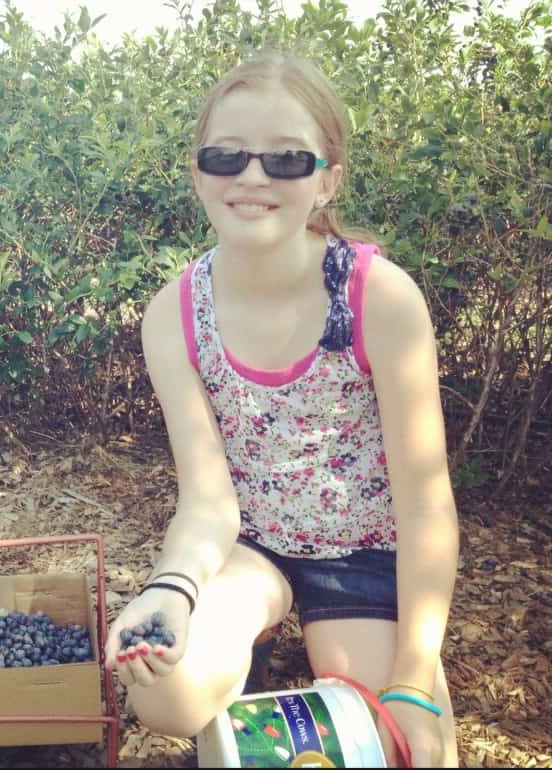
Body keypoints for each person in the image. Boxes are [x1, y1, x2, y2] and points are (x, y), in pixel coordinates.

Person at [104, 51, 459, 767]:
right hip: (252, 552)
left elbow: (426, 505)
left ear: (327, 179)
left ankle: (286, 681)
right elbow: (206, 500)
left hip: (364, 554)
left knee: (409, 750)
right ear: (197, 171)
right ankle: (242, 657)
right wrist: (169, 591)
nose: (253, 177)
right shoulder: (173, 316)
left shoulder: (379, 299)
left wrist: (415, 680)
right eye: (226, 156)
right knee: (164, 695)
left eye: (288, 160)